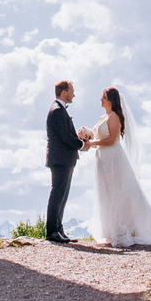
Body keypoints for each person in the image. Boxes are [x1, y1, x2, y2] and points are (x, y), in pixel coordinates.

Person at [88, 85, 151, 248]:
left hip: (113, 157)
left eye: (103, 97)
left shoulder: (114, 117)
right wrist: (86, 136)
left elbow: (111, 139)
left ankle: (125, 227)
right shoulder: (103, 118)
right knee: (107, 192)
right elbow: (97, 134)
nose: (100, 99)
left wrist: (93, 143)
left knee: (120, 191)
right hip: (103, 158)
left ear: (110, 100)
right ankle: (111, 229)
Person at [43, 79, 87, 243]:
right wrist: (81, 144)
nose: (74, 94)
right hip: (60, 159)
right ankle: (52, 232)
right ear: (64, 92)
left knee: (62, 194)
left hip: (64, 159)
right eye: (72, 91)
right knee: (58, 194)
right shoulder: (57, 111)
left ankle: (58, 230)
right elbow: (65, 137)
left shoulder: (59, 110)